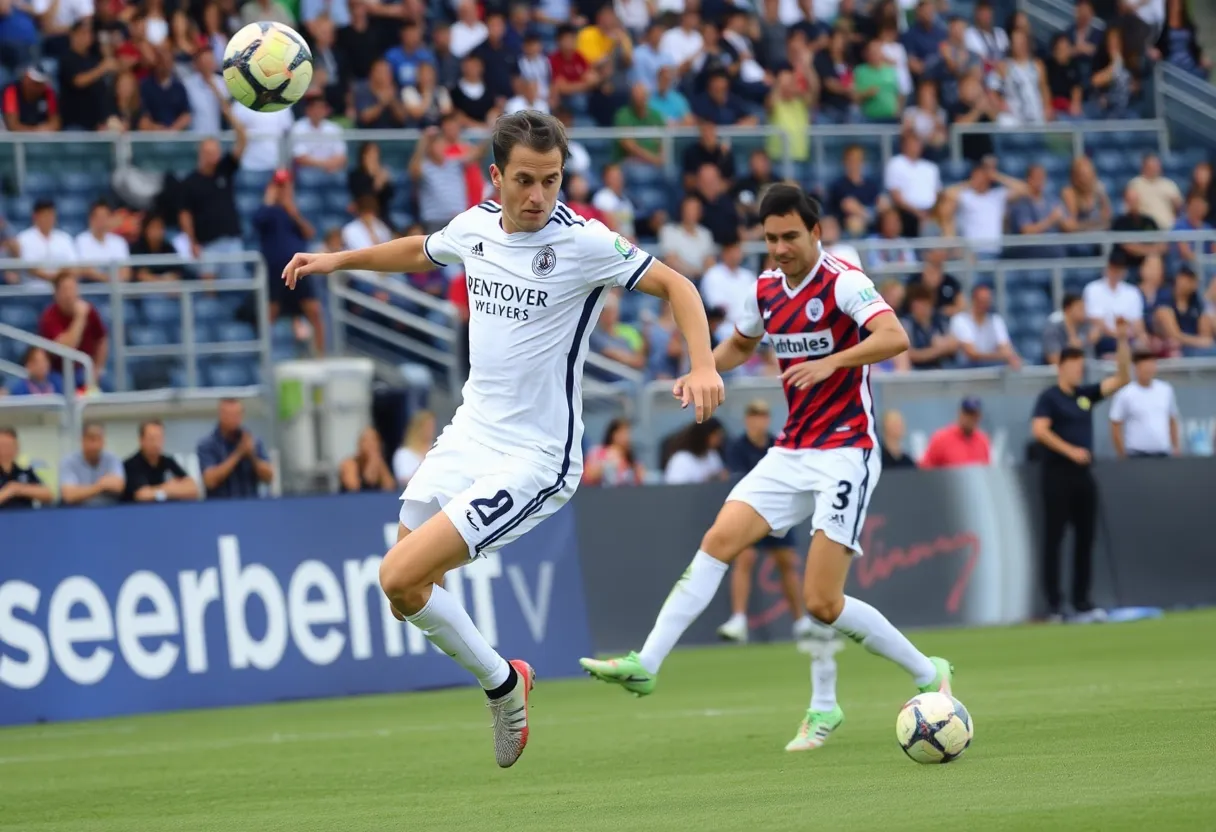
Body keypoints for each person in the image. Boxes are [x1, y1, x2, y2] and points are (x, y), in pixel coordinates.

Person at [280, 110, 724, 769]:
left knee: (398, 574)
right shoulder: (476, 225)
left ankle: (499, 683)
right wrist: (338, 260)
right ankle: (505, 678)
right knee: (407, 593)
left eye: (550, 181)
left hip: (535, 458)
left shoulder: (585, 244)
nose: (538, 195)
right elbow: (421, 249)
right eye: (524, 180)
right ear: (496, 177)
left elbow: (678, 285)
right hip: (469, 435)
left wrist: (704, 363)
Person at [580, 185, 954, 754]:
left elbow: (894, 336)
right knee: (719, 539)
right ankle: (647, 661)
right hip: (791, 449)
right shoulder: (763, 289)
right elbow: (739, 344)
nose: (779, 248)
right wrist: (700, 368)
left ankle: (927, 671)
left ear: (815, 233)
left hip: (846, 450)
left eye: (789, 237)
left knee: (822, 602)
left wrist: (831, 360)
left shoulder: (844, 281)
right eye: (771, 238)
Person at [1030, 323, 1131, 622]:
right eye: (1073, 366)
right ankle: (1054, 604)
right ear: (1061, 367)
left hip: (1083, 475)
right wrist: (1069, 450)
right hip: (1057, 475)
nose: (1078, 372)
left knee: (1086, 539)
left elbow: (1122, 378)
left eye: (1081, 366)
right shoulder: (1050, 398)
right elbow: (1039, 430)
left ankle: (1082, 601)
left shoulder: (1084, 395)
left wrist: (1123, 339)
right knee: (1055, 539)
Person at [716, 399, 825, 651]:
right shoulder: (737, 447)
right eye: (754, 415)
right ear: (747, 419)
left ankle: (801, 622)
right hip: (749, 510)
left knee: (786, 561)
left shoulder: (777, 444)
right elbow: (737, 479)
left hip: (777, 510)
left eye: (763, 415)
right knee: (745, 558)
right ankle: (738, 621)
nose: (759, 420)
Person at [197, 398, 274, 499]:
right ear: (221, 415)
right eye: (229, 415)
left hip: (250, 505)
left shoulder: (252, 441)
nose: (234, 419)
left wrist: (252, 456)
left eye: (237, 415)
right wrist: (238, 454)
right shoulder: (207, 445)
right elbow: (209, 481)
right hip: (220, 507)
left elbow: (268, 477)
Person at [1109, 352, 1180, 458]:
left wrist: (1176, 446)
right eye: (1145, 366)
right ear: (1136, 368)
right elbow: (1115, 424)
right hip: (1136, 454)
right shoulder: (1125, 393)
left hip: (1163, 453)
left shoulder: (1165, 390)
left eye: (1151, 365)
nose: (1148, 370)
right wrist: (1122, 454)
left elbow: (1172, 419)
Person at [122, 420, 200, 503]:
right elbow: (143, 495)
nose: (156, 443)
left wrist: (159, 492)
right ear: (141, 440)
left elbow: (193, 489)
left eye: (159, 438)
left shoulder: (168, 462)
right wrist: (169, 487)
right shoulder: (130, 465)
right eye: (152, 439)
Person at [59, 422, 125, 507]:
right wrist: (99, 486)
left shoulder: (112, 459)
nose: (95, 445)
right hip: (77, 512)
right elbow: (69, 495)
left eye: (99, 439)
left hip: (108, 510)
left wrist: (83, 491)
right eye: (92, 440)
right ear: (82, 441)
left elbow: (118, 486)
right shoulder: (69, 462)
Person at [920, 398, 992, 469]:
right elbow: (926, 468)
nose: (970, 418)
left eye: (974, 414)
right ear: (960, 414)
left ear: (979, 416)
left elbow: (986, 469)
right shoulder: (941, 438)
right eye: (967, 413)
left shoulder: (983, 440)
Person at [0, 427, 53, 511]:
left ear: (17, 447)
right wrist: (8, 491)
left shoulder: (25, 471)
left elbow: (48, 495)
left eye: (10, 445)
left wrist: (19, 489)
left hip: (25, 519)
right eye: (3, 445)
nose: (6, 450)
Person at [583, 418, 645, 487]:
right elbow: (587, 476)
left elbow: (640, 479)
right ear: (613, 434)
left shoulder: (630, 456)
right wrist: (607, 463)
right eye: (622, 433)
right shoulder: (598, 452)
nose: (626, 437)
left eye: (628, 433)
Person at [662, 419, 727, 484]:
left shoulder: (712, 455)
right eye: (716, 436)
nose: (719, 440)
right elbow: (676, 487)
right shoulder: (681, 459)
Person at [340, 426, 396, 492]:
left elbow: (390, 486)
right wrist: (370, 466)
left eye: (374, 440)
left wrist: (376, 463)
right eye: (366, 440)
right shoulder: (350, 464)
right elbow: (353, 487)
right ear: (359, 444)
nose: (371, 444)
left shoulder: (379, 463)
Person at [392, 409, 436, 487]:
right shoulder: (403, 453)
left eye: (432, 426)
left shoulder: (437, 449)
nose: (431, 430)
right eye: (427, 426)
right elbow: (404, 480)